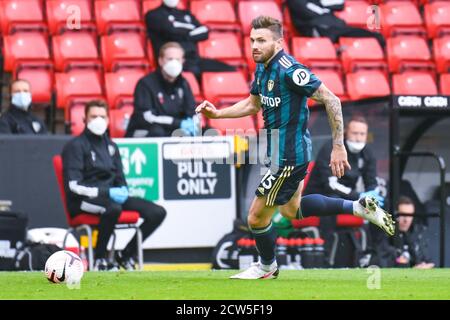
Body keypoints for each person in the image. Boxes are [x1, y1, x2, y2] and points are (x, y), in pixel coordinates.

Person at [196, 16, 395, 280]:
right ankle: (357, 208)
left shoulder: (290, 70)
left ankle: (267, 266)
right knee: (292, 210)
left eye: (262, 40)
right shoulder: (263, 67)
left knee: (256, 218)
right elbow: (254, 104)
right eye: (252, 40)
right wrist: (218, 115)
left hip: (288, 156)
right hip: (283, 151)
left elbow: (331, 99)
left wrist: (339, 147)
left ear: (278, 43)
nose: (254, 45)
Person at [62, 100, 167, 271]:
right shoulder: (75, 146)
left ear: (108, 120)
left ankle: (124, 256)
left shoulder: (111, 146)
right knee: (113, 208)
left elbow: (119, 177)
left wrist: (123, 189)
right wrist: (106, 191)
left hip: (111, 197)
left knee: (157, 212)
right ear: (84, 119)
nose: (98, 120)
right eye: (94, 116)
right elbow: (74, 186)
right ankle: (99, 258)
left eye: (102, 116)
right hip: (83, 201)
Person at [304, 116, 383, 262]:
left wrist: (372, 195)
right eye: (355, 133)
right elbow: (331, 185)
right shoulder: (330, 149)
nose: (359, 138)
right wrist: (359, 195)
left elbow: (372, 182)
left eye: (362, 134)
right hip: (318, 196)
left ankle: (375, 253)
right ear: (346, 132)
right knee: (332, 201)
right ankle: (325, 257)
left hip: (347, 197)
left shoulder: (367, 154)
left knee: (380, 204)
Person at [145, 0, 235, 81]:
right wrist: (190, 31)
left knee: (231, 71)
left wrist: (182, 34)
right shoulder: (153, 15)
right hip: (174, 62)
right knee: (193, 76)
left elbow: (204, 32)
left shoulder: (186, 14)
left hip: (195, 60)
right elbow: (170, 32)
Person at [125, 42, 199, 138]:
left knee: (207, 131)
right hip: (145, 131)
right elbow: (147, 117)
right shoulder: (145, 84)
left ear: (183, 61)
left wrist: (194, 123)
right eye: (170, 59)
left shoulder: (184, 84)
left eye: (177, 59)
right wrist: (178, 123)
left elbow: (191, 111)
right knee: (157, 131)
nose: (174, 63)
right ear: (160, 61)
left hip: (172, 131)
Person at [286, 0, 386, 48]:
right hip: (317, 28)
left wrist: (323, 7)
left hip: (335, 26)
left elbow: (339, 4)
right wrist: (324, 8)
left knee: (373, 36)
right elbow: (311, 13)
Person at [376, 196, 434, 269]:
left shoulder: (417, 234)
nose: (406, 220)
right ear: (395, 215)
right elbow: (384, 265)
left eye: (410, 215)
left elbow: (428, 261)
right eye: (403, 215)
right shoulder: (385, 236)